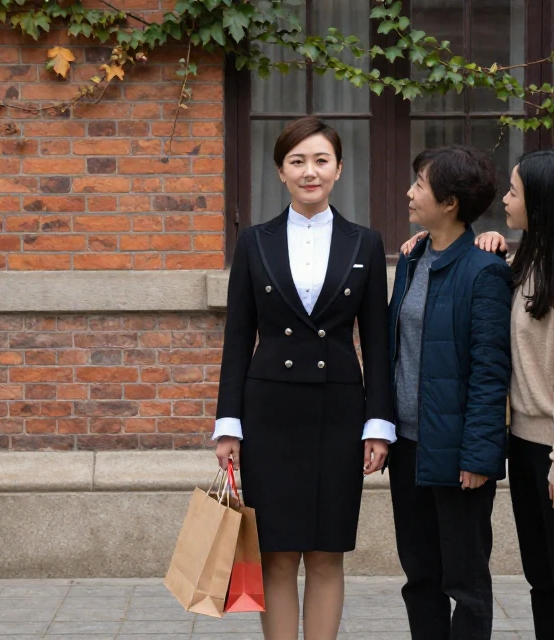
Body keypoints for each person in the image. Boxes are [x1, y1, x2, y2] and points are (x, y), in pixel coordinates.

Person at [402, 148, 554, 640]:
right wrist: (484, 244)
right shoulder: (528, 264)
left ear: (542, 201)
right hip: (524, 445)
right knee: (542, 580)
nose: (506, 198)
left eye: (516, 191)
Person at [214, 116, 396, 640]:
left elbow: (377, 342)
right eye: (298, 161)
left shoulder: (365, 243)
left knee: (326, 552)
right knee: (275, 553)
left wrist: (377, 425)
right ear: (280, 171)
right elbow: (236, 338)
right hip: (268, 412)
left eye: (320, 160)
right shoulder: (254, 242)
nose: (309, 171)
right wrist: (229, 424)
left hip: (338, 413)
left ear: (338, 169)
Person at [387, 145, 512, 640]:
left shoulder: (485, 271)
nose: (410, 192)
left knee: (466, 582)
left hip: (458, 454)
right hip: (409, 448)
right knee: (420, 580)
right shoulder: (414, 257)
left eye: (420, 183)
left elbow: (490, 371)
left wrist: (480, 457)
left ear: (450, 203)